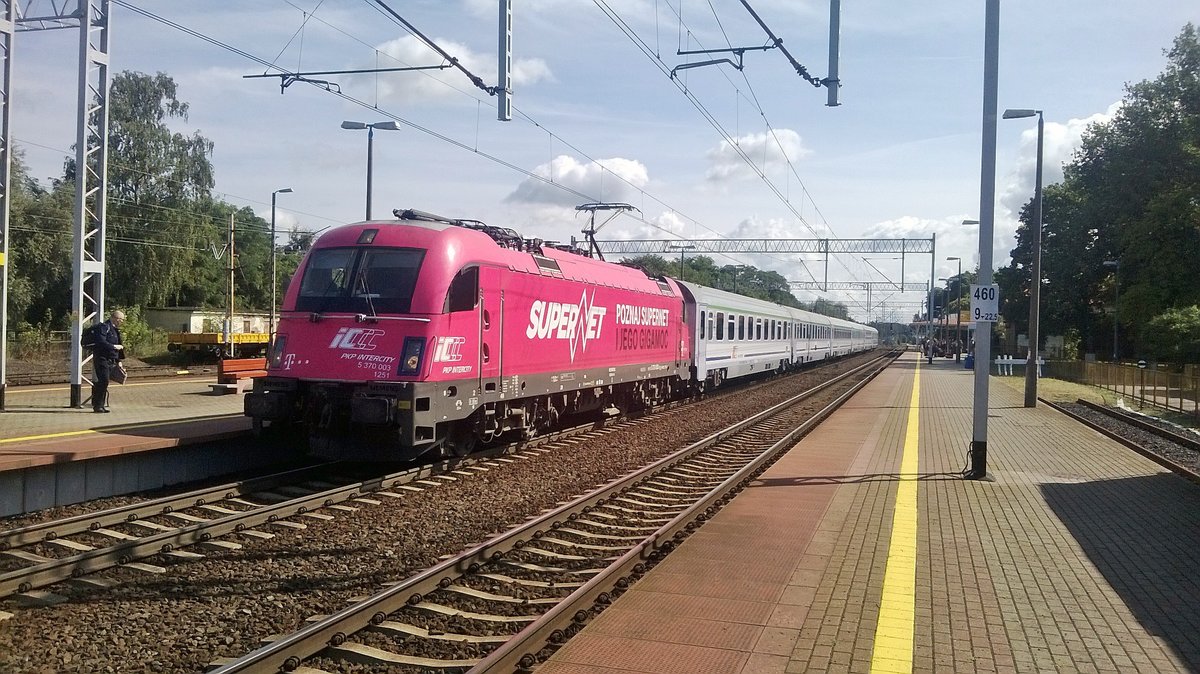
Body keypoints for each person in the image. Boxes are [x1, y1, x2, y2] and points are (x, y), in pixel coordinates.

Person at [91, 310, 126, 413]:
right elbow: (101, 342)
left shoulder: (115, 330)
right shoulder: (104, 327)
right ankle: (97, 405)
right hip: (101, 358)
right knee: (104, 380)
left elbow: (119, 346)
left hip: (110, 360)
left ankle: (100, 405)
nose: (122, 322)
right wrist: (114, 346)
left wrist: (119, 361)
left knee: (104, 382)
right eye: (121, 320)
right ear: (116, 318)